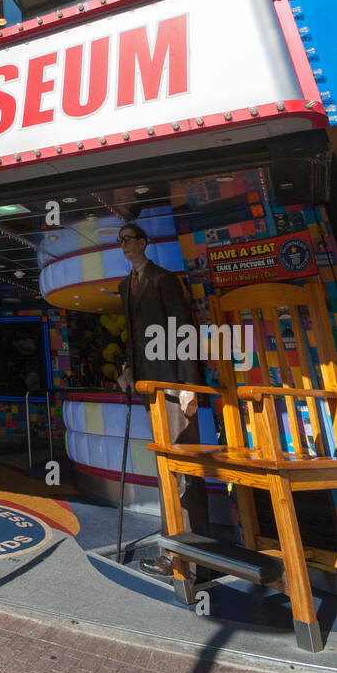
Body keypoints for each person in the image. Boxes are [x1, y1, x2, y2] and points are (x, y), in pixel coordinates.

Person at [116, 223, 208, 576]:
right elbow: (133, 337)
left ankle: (190, 555)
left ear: (142, 242)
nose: (123, 245)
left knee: (184, 467)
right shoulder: (125, 286)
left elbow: (184, 329)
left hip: (173, 382)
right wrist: (127, 369)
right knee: (166, 468)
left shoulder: (165, 280)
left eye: (128, 239)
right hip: (147, 386)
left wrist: (189, 385)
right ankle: (175, 550)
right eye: (119, 240)